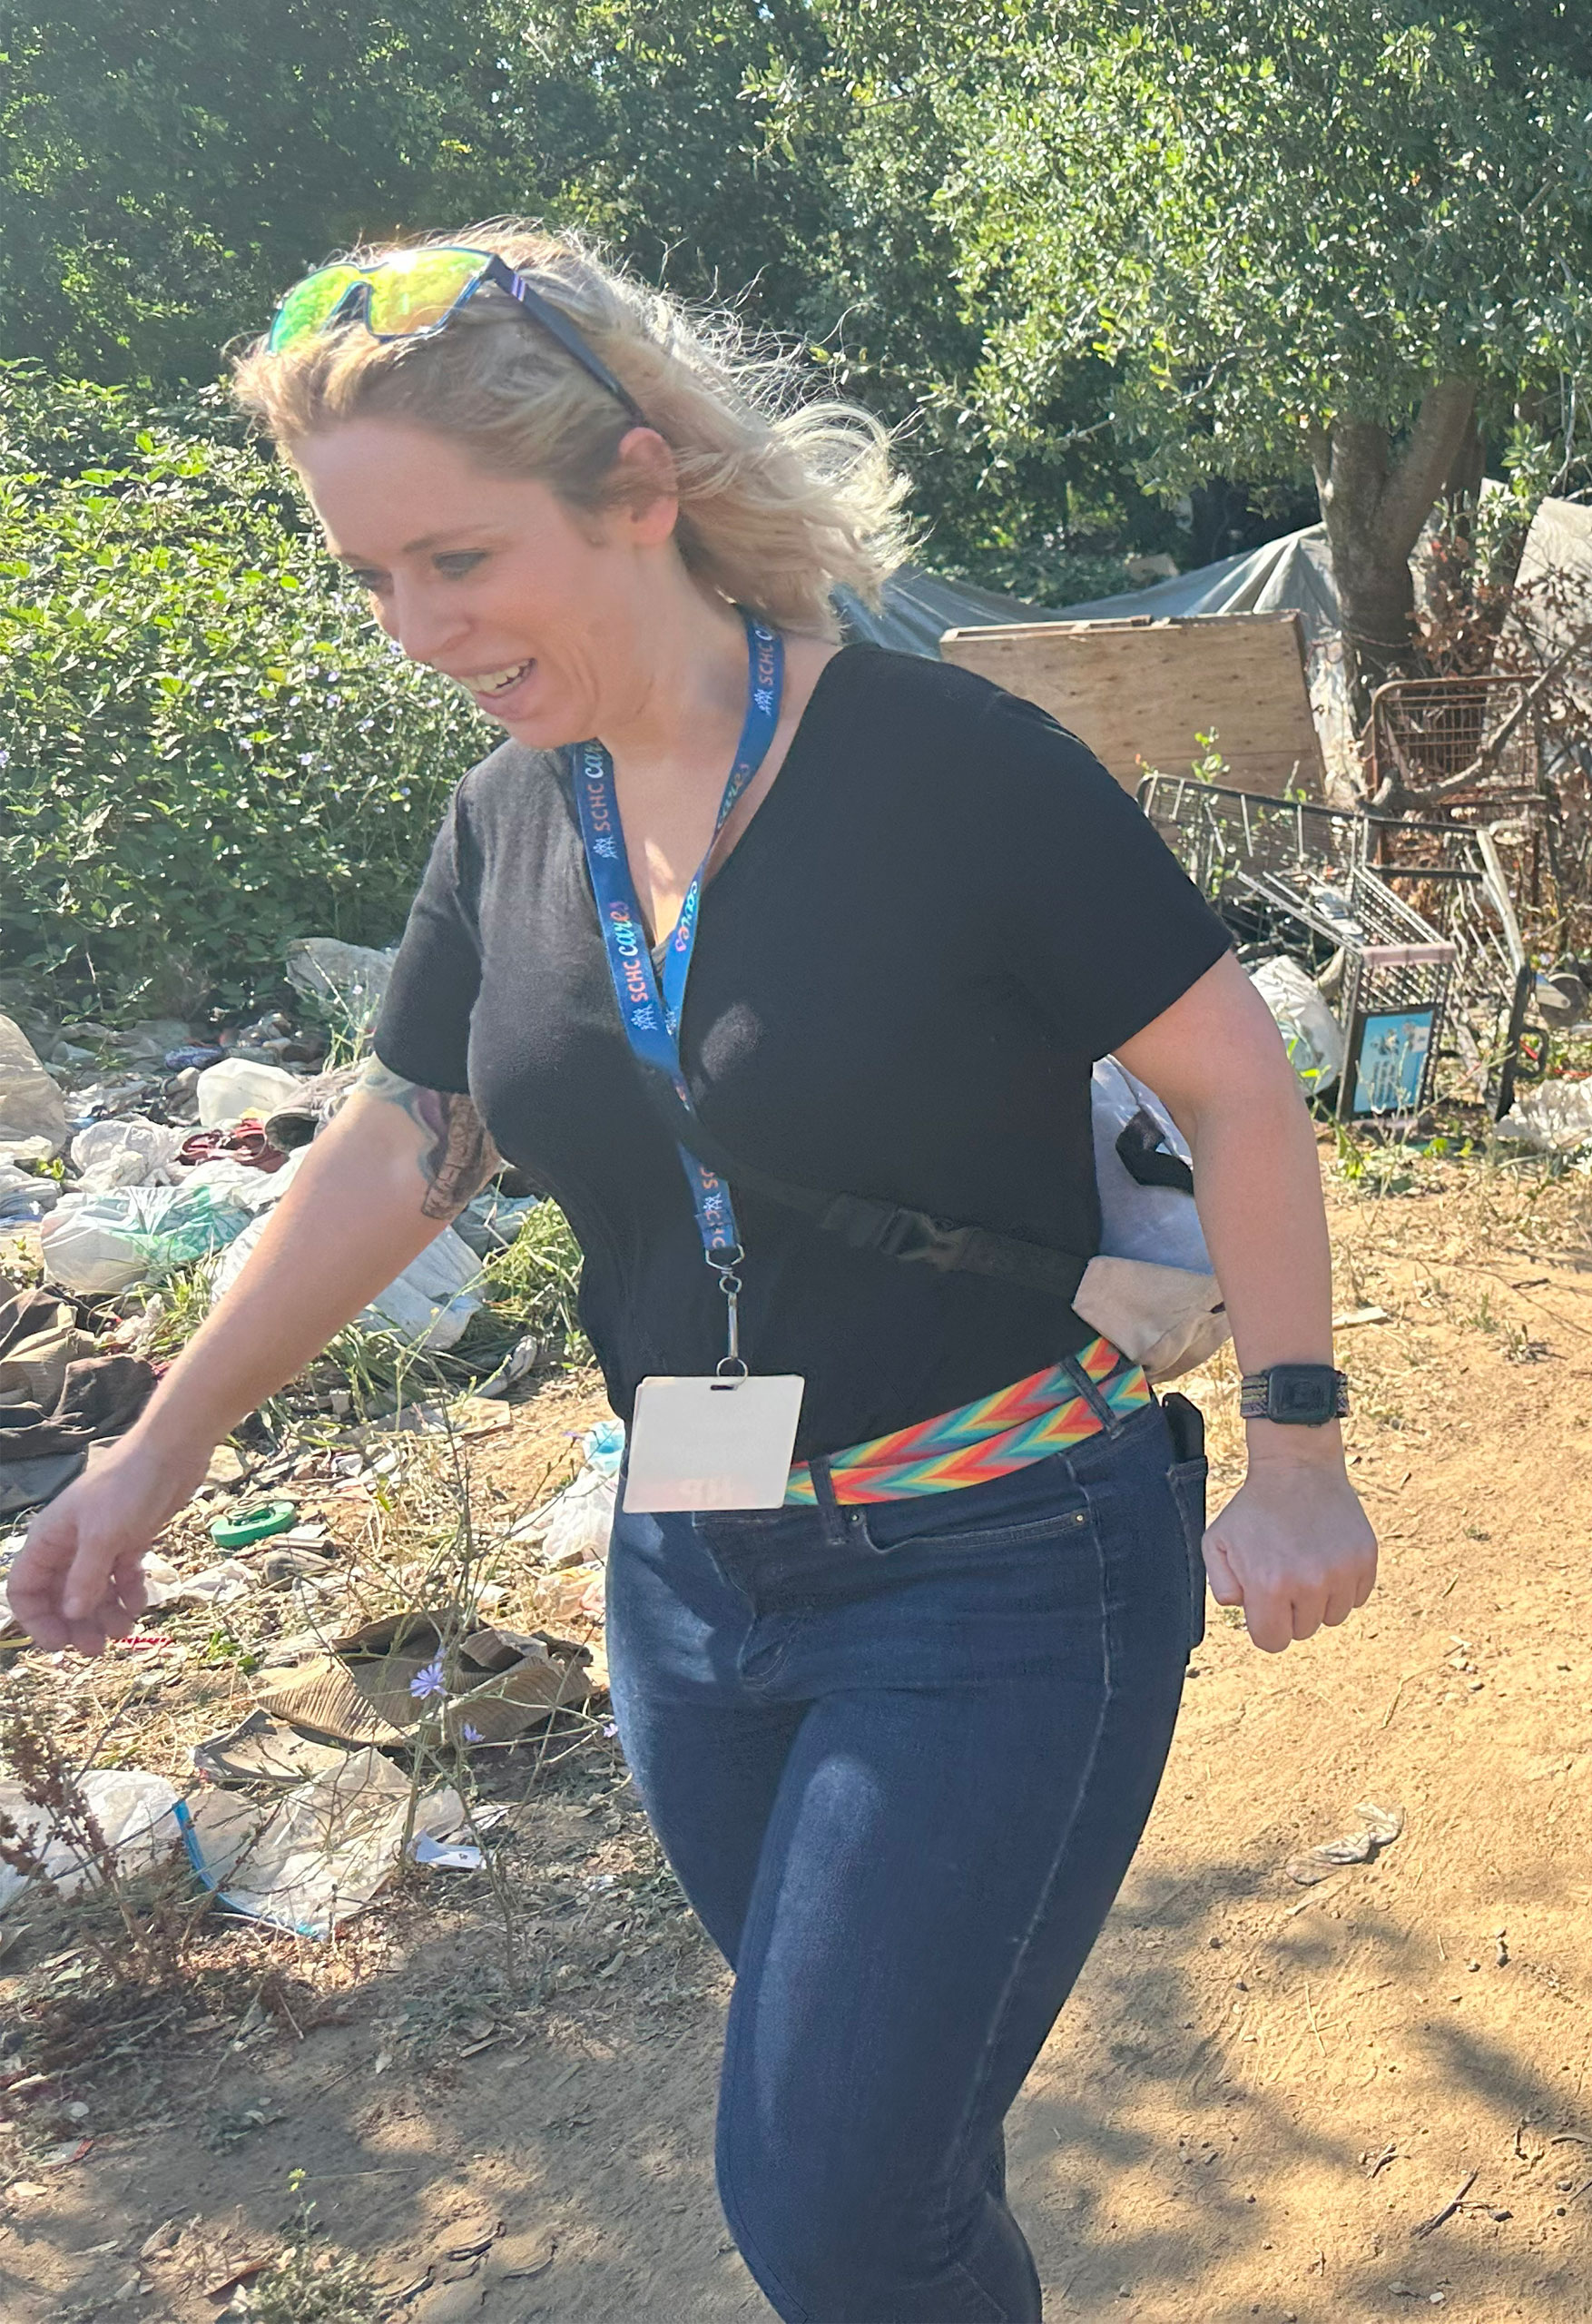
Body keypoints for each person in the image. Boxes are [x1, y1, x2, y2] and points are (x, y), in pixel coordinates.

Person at [4, 229, 1381, 2322]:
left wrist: (1299, 1451)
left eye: (458, 559)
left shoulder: (951, 765)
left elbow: (1237, 1084)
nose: (417, 630)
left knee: (830, 2202)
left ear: (639, 489)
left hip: (999, 1558)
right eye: (370, 578)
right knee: (890, 2164)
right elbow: (405, 1141)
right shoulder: (506, 818)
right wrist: (157, 1448)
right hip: (688, 1571)